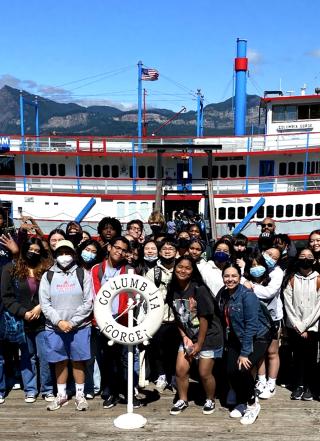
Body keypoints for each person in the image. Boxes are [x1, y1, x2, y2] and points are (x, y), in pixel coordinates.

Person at [39, 240, 93, 411]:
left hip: (80, 327)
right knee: (59, 361)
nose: (64, 256)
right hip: (55, 328)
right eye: (60, 252)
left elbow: (89, 302)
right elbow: (45, 303)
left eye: (67, 252)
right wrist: (59, 322)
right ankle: (61, 395)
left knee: (78, 361)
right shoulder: (48, 275)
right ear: (55, 255)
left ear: (73, 254)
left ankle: (80, 394)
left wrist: (72, 322)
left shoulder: (83, 274)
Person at [168, 256, 223, 416]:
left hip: (208, 336)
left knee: (204, 373)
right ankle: (183, 400)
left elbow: (205, 319)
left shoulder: (199, 289)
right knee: (180, 370)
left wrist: (199, 344)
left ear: (193, 272)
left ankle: (210, 399)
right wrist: (184, 336)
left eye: (187, 268)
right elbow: (178, 316)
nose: (182, 270)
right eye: (180, 266)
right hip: (188, 334)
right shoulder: (173, 289)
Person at [1, 237, 54, 403]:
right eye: (31, 250)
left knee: (44, 356)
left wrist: (40, 307)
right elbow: (6, 296)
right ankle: (30, 389)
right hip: (22, 320)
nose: (34, 253)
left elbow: (52, 293)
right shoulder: (11, 268)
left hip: (42, 319)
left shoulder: (46, 270)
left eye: (38, 251)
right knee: (27, 355)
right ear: (24, 250)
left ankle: (47, 389)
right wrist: (23, 312)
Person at [91, 236, 141, 409]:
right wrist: (101, 319)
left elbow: (135, 294)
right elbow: (96, 295)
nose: (119, 252)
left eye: (124, 250)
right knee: (109, 359)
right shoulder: (97, 270)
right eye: (117, 248)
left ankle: (129, 393)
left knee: (126, 358)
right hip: (105, 322)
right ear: (109, 247)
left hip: (125, 322)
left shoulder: (129, 270)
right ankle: (112, 392)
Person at [217, 263, 271, 425]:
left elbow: (252, 326)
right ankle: (242, 400)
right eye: (227, 276)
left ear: (240, 278)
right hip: (236, 336)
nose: (230, 279)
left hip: (258, 337)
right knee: (230, 370)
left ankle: (252, 404)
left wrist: (245, 353)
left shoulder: (247, 295)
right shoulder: (224, 294)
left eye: (234, 276)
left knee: (242, 368)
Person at [244, 247, 284, 400]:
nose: (256, 268)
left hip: (273, 320)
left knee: (272, 352)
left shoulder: (273, 276)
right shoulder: (245, 279)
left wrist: (252, 287)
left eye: (258, 265)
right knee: (259, 353)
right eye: (252, 265)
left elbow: (269, 293)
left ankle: (271, 383)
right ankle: (261, 380)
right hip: (255, 322)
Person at [283, 248, 320, 401]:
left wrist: (305, 325)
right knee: (297, 356)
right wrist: (298, 326)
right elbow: (288, 304)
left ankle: (309, 386)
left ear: (315, 260)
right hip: (294, 326)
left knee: (311, 357)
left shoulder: (318, 278)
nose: (306, 258)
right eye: (303, 256)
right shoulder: (291, 278)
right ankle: (298, 385)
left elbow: (319, 306)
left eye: (309, 256)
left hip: (312, 326)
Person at [145, 238, 179, 392]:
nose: (167, 251)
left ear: (176, 252)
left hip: (177, 318)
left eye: (171, 248)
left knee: (175, 350)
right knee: (158, 349)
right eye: (164, 248)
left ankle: (173, 376)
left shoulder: (181, 269)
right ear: (159, 252)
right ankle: (161, 375)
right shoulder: (153, 272)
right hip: (159, 317)